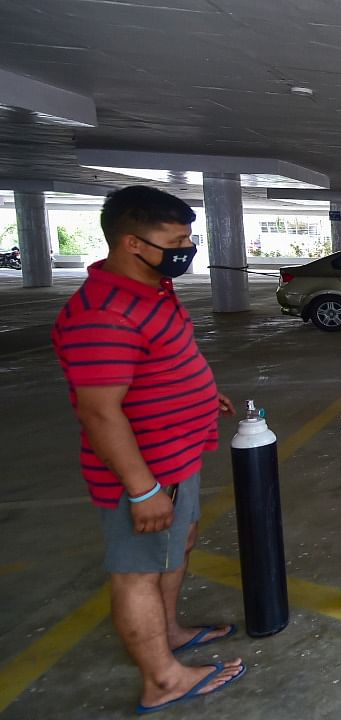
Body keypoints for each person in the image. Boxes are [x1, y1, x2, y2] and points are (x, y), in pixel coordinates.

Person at [51, 186, 245, 714]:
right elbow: (99, 411)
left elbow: (157, 363)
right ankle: (162, 679)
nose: (186, 248)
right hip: (147, 471)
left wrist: (205, 394)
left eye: (189, 236)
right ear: (133, 243)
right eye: (176, 239)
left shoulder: (151, 288)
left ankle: (171, 632)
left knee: (177, 544)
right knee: (136, 571)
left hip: (177, 456)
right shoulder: (103, 313)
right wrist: (142, 490)